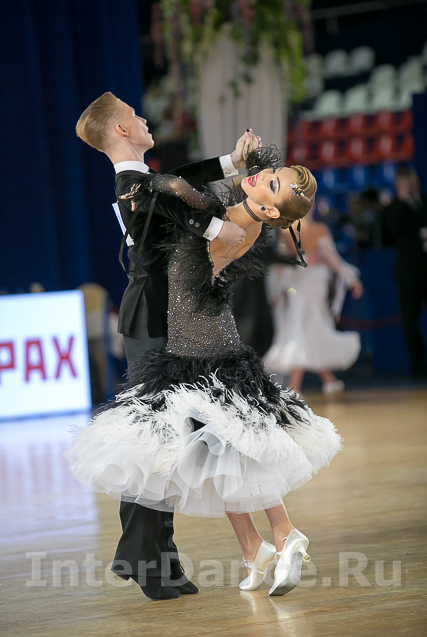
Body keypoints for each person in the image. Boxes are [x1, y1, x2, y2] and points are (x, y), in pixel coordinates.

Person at [64, 148, 342, 600]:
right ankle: (255, 548)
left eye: (272, 182)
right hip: (204, 341)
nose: (262, 176)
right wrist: (238, 163)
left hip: (200, 350)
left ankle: (284, 532)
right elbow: (194, 196)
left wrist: (149, 182)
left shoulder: (228, 222)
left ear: (272, 211)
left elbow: (176, 189)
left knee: (229, 452)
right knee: (219, 455)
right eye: (270, 172)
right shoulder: (241, 216)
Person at [74, 92, 262, 601]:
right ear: (121, 131)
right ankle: (143, 558)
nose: (144, 119)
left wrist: (231, 162)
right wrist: (221, 226)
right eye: (135, 116)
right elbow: (180, 198)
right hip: (154, 317)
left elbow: (181, 178)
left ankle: (158, 559)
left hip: (168, 316)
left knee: (169, 439)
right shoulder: (133, 185)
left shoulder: (143, 180)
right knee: (154, 440)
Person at [263, 209, 363, 397]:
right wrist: (352, 280)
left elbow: (281, 264)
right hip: (312, 283)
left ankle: (325, 380)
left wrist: (277, 290)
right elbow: (333, 259)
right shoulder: (319, 229)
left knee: (307, 329)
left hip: (299, 285)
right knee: (308, 329)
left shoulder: (285, 231)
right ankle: (297, 386)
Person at [382, 164, 427, 378]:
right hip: (408, 273)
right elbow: (391, 230)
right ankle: (418, 367)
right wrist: (401, 199)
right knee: (410, 321)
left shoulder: (424, 201)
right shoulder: (394, 207)